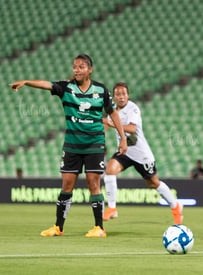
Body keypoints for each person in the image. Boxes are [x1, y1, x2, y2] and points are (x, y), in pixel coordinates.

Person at [9, 54, 127, 238]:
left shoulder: (100, 90)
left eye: (81, 67)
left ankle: (99, 228)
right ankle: (58, 227)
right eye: (74, 67)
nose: (76, 70)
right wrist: (26, 82)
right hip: (72, 145)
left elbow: (113, 114)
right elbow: (46, 84)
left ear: (90, 69)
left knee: (93, 183)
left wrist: (123, 138)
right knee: (67, 185)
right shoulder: (66, 87)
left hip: (94, 144)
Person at [102, 82, 183, 224]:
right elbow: (105, 125)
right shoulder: (113, 111)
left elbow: (132, 129)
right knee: (109, 171)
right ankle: (112, 208)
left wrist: (111, 123)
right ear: (114, 97)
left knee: (153, 183)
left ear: (128, 95)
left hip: (141, 154)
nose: (121, 97)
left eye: (124, 94)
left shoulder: (133, 108)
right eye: (118, 94)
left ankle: (175, 206)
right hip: (125, 151)